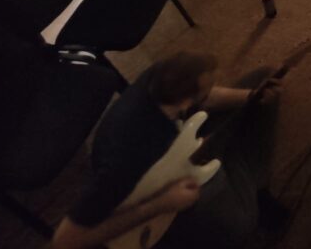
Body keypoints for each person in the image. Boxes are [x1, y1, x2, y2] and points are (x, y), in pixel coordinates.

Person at [53, 52, 287, 249]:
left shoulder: (161, 79)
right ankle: (241, 188)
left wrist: (251, 97)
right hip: (155, 192)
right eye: (204, 92)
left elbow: (207, 99)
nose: (209, 93)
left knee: (264, 78)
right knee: (242, 221)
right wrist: (163, 203)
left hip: (178, 147)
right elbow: (66, 240)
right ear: (185, 103)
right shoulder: (127, 159)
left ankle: (250, 184)